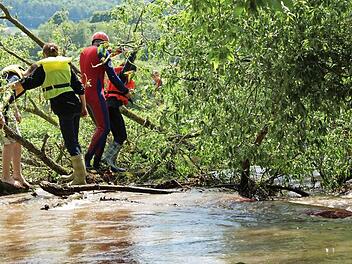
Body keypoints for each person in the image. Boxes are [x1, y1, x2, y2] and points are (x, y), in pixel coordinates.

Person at [11, 43, 88, 185]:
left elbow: (30, 83)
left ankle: (80, 178)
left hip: (62, 106)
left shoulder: (44, 67)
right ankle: (78, 173)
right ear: (57, 53)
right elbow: (79, 87)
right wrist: (84, 107)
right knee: (74, 140)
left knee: (70, 141)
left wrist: (17, 81)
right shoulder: (65, 65)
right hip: (75, 104)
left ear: (44, 54)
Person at [80, 32, 130, 171]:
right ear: (104, 43)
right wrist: (125, 91)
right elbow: (112, 75)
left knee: (102, 128)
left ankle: (95, 163)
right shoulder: (102, 51)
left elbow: (99, 60)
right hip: (97, 93)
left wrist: (116, 52)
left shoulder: (84, 52)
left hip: (85, 93)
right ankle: (88, 159)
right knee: (104, 128)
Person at [103, 50, 137, 172]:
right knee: (121, 135)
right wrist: (134, 52)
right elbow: (128, 65)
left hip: (109, 106)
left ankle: (108, 160)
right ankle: (107, 159)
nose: (132, 76)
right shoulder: (122, 75)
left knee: (119, 135)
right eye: (132, 73)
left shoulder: (117, 75)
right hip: (111, 106)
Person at [0, 65, 31, 188]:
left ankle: (17, 174)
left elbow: (10, 96)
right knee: (9, 142)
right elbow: (4, 94)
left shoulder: (17, 77)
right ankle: (6, 177)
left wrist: (16, 111)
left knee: (18, 140)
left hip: (6, 110)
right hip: (2, 110)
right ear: (27, 74)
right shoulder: (14, 77)